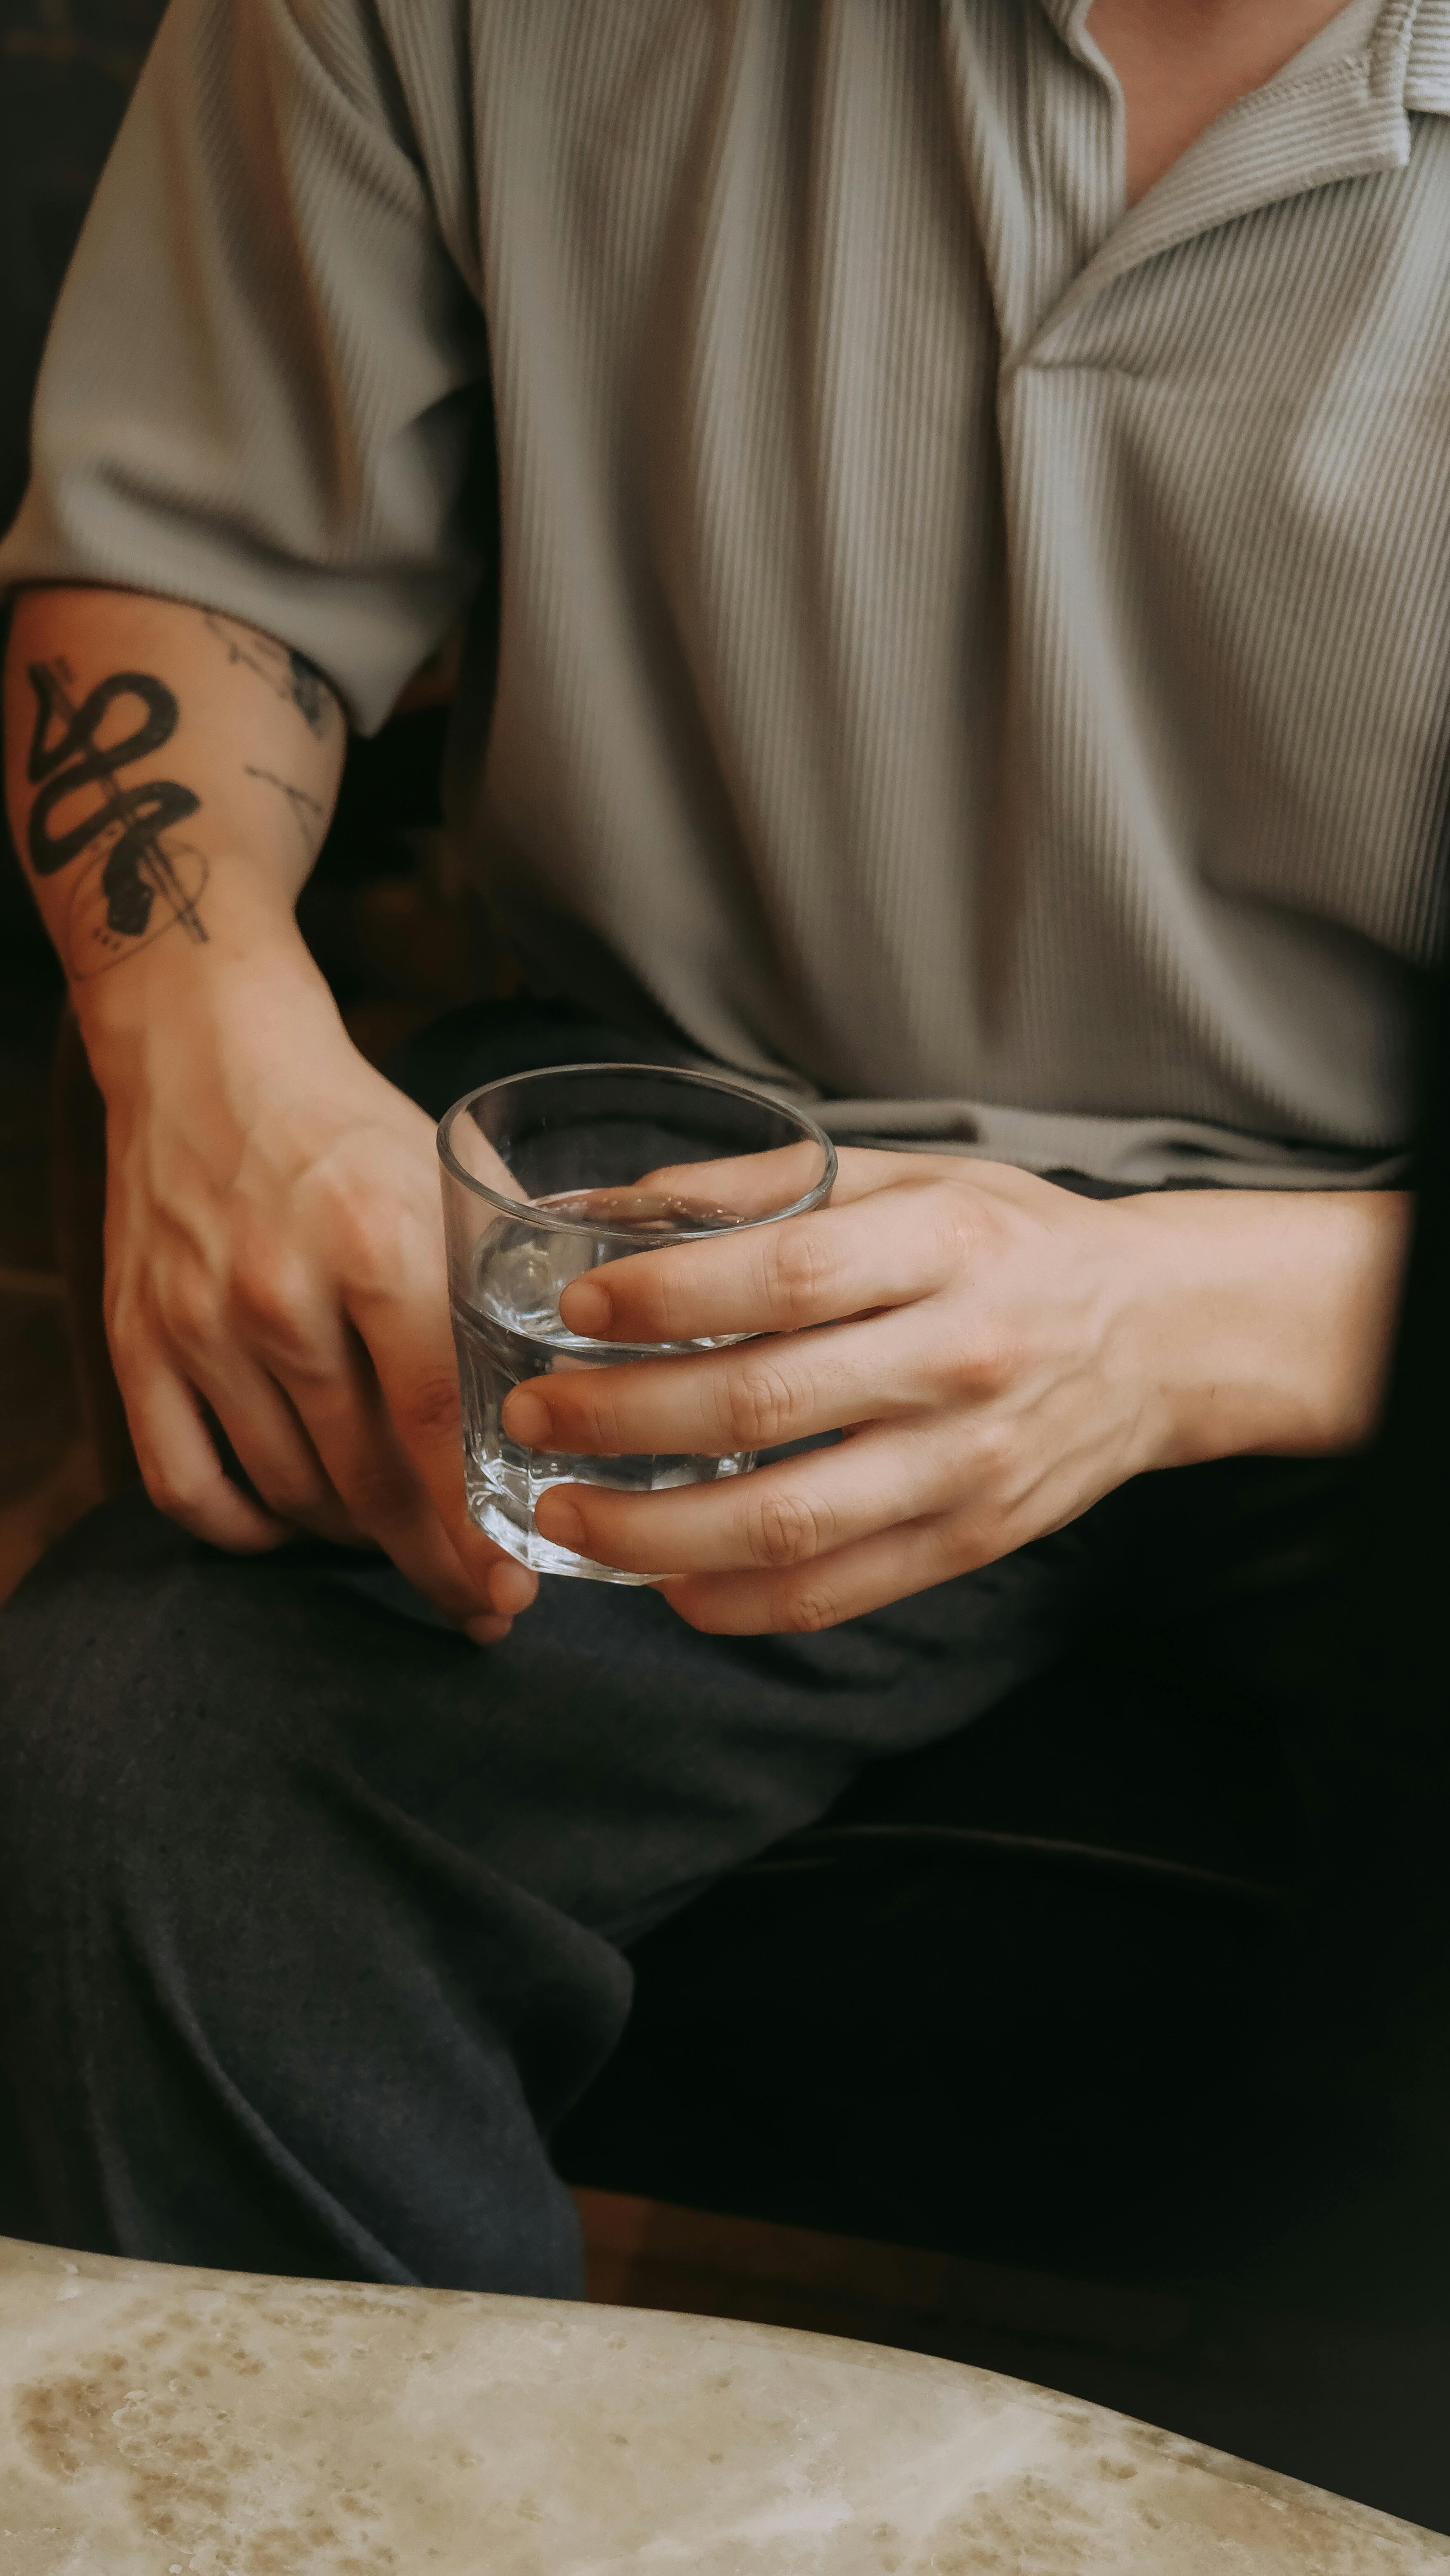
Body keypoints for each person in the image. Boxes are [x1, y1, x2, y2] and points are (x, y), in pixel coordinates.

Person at [0, 0, 1439, 2305]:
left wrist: (1164, 1322)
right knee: (132, 1795)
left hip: (1371, 1246)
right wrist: (202, 1026)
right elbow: (204, 551)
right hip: (685, 1176)